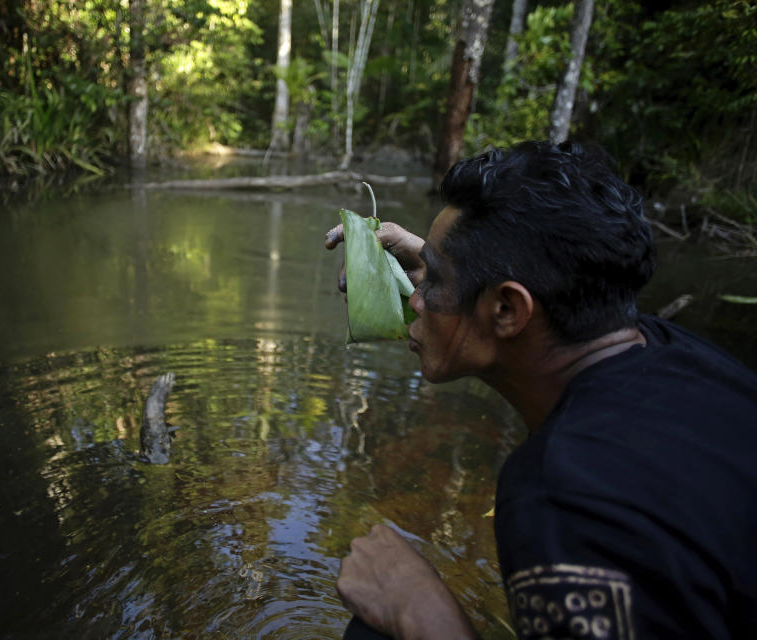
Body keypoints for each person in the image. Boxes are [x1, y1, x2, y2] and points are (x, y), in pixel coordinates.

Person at [324, 141, 757, 640]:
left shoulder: (562, 497)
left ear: (508, 310)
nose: (415, 299)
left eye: (433, 281)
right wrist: (447, 269)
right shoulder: (679, 354)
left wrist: (421, 611)